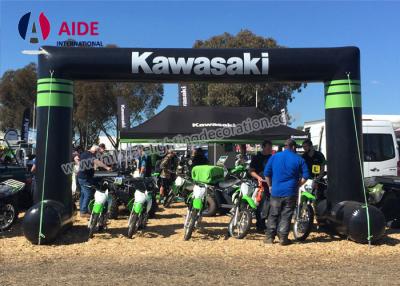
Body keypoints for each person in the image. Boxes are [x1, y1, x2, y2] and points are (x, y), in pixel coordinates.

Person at [264, 139, 310, 245]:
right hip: (290, 192)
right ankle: (283, 238)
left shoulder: (274, 156)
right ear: (293, 147)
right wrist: (298, 185)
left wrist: (270, 186)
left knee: (273, 214)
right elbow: (306, 176)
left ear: (285, 147)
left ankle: (269, 238)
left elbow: (267, 173)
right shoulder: (299, 159)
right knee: (286, 215)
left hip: (275, 191)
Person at [77, 145, 112, 218]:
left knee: (83, 194)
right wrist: (106, 167)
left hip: (82, 176)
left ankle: (82, 210)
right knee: (88, 193)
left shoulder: (84, 153)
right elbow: (96, 161)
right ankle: (83, 212)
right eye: (97, 152)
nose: (97, 154)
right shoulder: (90, 155)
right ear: (95, 151)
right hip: (85, 178)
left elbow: (77, 158)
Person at [249, 140, 273, 232]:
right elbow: (251, 170)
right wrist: (258, 177)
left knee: (269, 205)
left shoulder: (272, 157)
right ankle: (260, 225)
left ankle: (266, 224)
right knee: (261, 204)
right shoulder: (256, 157)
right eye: (268, 148)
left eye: (271, 148)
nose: (270, 150)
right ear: (263, 147)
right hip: (259, 184)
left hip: (270, 184)